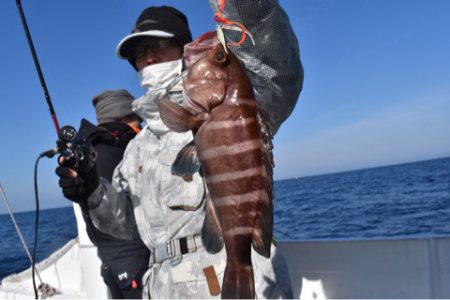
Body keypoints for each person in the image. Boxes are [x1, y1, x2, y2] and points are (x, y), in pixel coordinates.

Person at [56, 1, 303, 298]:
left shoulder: (239, 100)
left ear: (184, 49)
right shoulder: (137, 148)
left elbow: (275, 68)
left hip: (230, 276)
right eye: (138, 53)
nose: (147, 58)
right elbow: (128, 227)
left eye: (158, 44)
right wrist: (92, 191)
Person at [61, 90, 150, 298]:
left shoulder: (90, 153)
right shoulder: (122, 151)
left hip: (115, 269)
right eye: (139, 122)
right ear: (123, 119)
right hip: (138, 264)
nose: (141, 129)